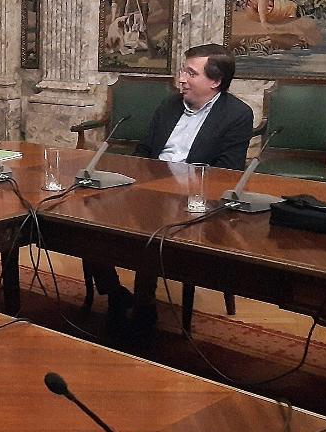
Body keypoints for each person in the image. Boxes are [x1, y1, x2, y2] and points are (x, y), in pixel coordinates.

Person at [93, 45, 255, 337]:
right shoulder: (169, 105)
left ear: (214, 81)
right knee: (88, 215)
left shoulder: (237, 115)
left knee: (152, 233)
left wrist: (173, 183)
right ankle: (115, 292)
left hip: (192, 199)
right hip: (147, 188)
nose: (181, 78)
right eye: (183, 70)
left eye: (190, 73)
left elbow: (225, 172)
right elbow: (144, 151)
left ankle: (144, 305)